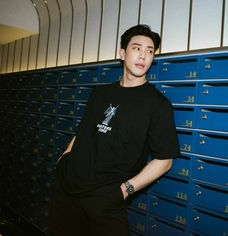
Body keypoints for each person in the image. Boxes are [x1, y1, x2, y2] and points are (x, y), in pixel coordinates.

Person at [50, 24, 180, 236]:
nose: (143, 56)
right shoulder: (100, 94)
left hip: (106, 199)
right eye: (137, 48)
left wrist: (124, 190)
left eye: (149, 51)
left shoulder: (157, 104)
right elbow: (82, 133)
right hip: (68, 188)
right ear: (122, 53)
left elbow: (164, 160)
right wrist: (64, 160)